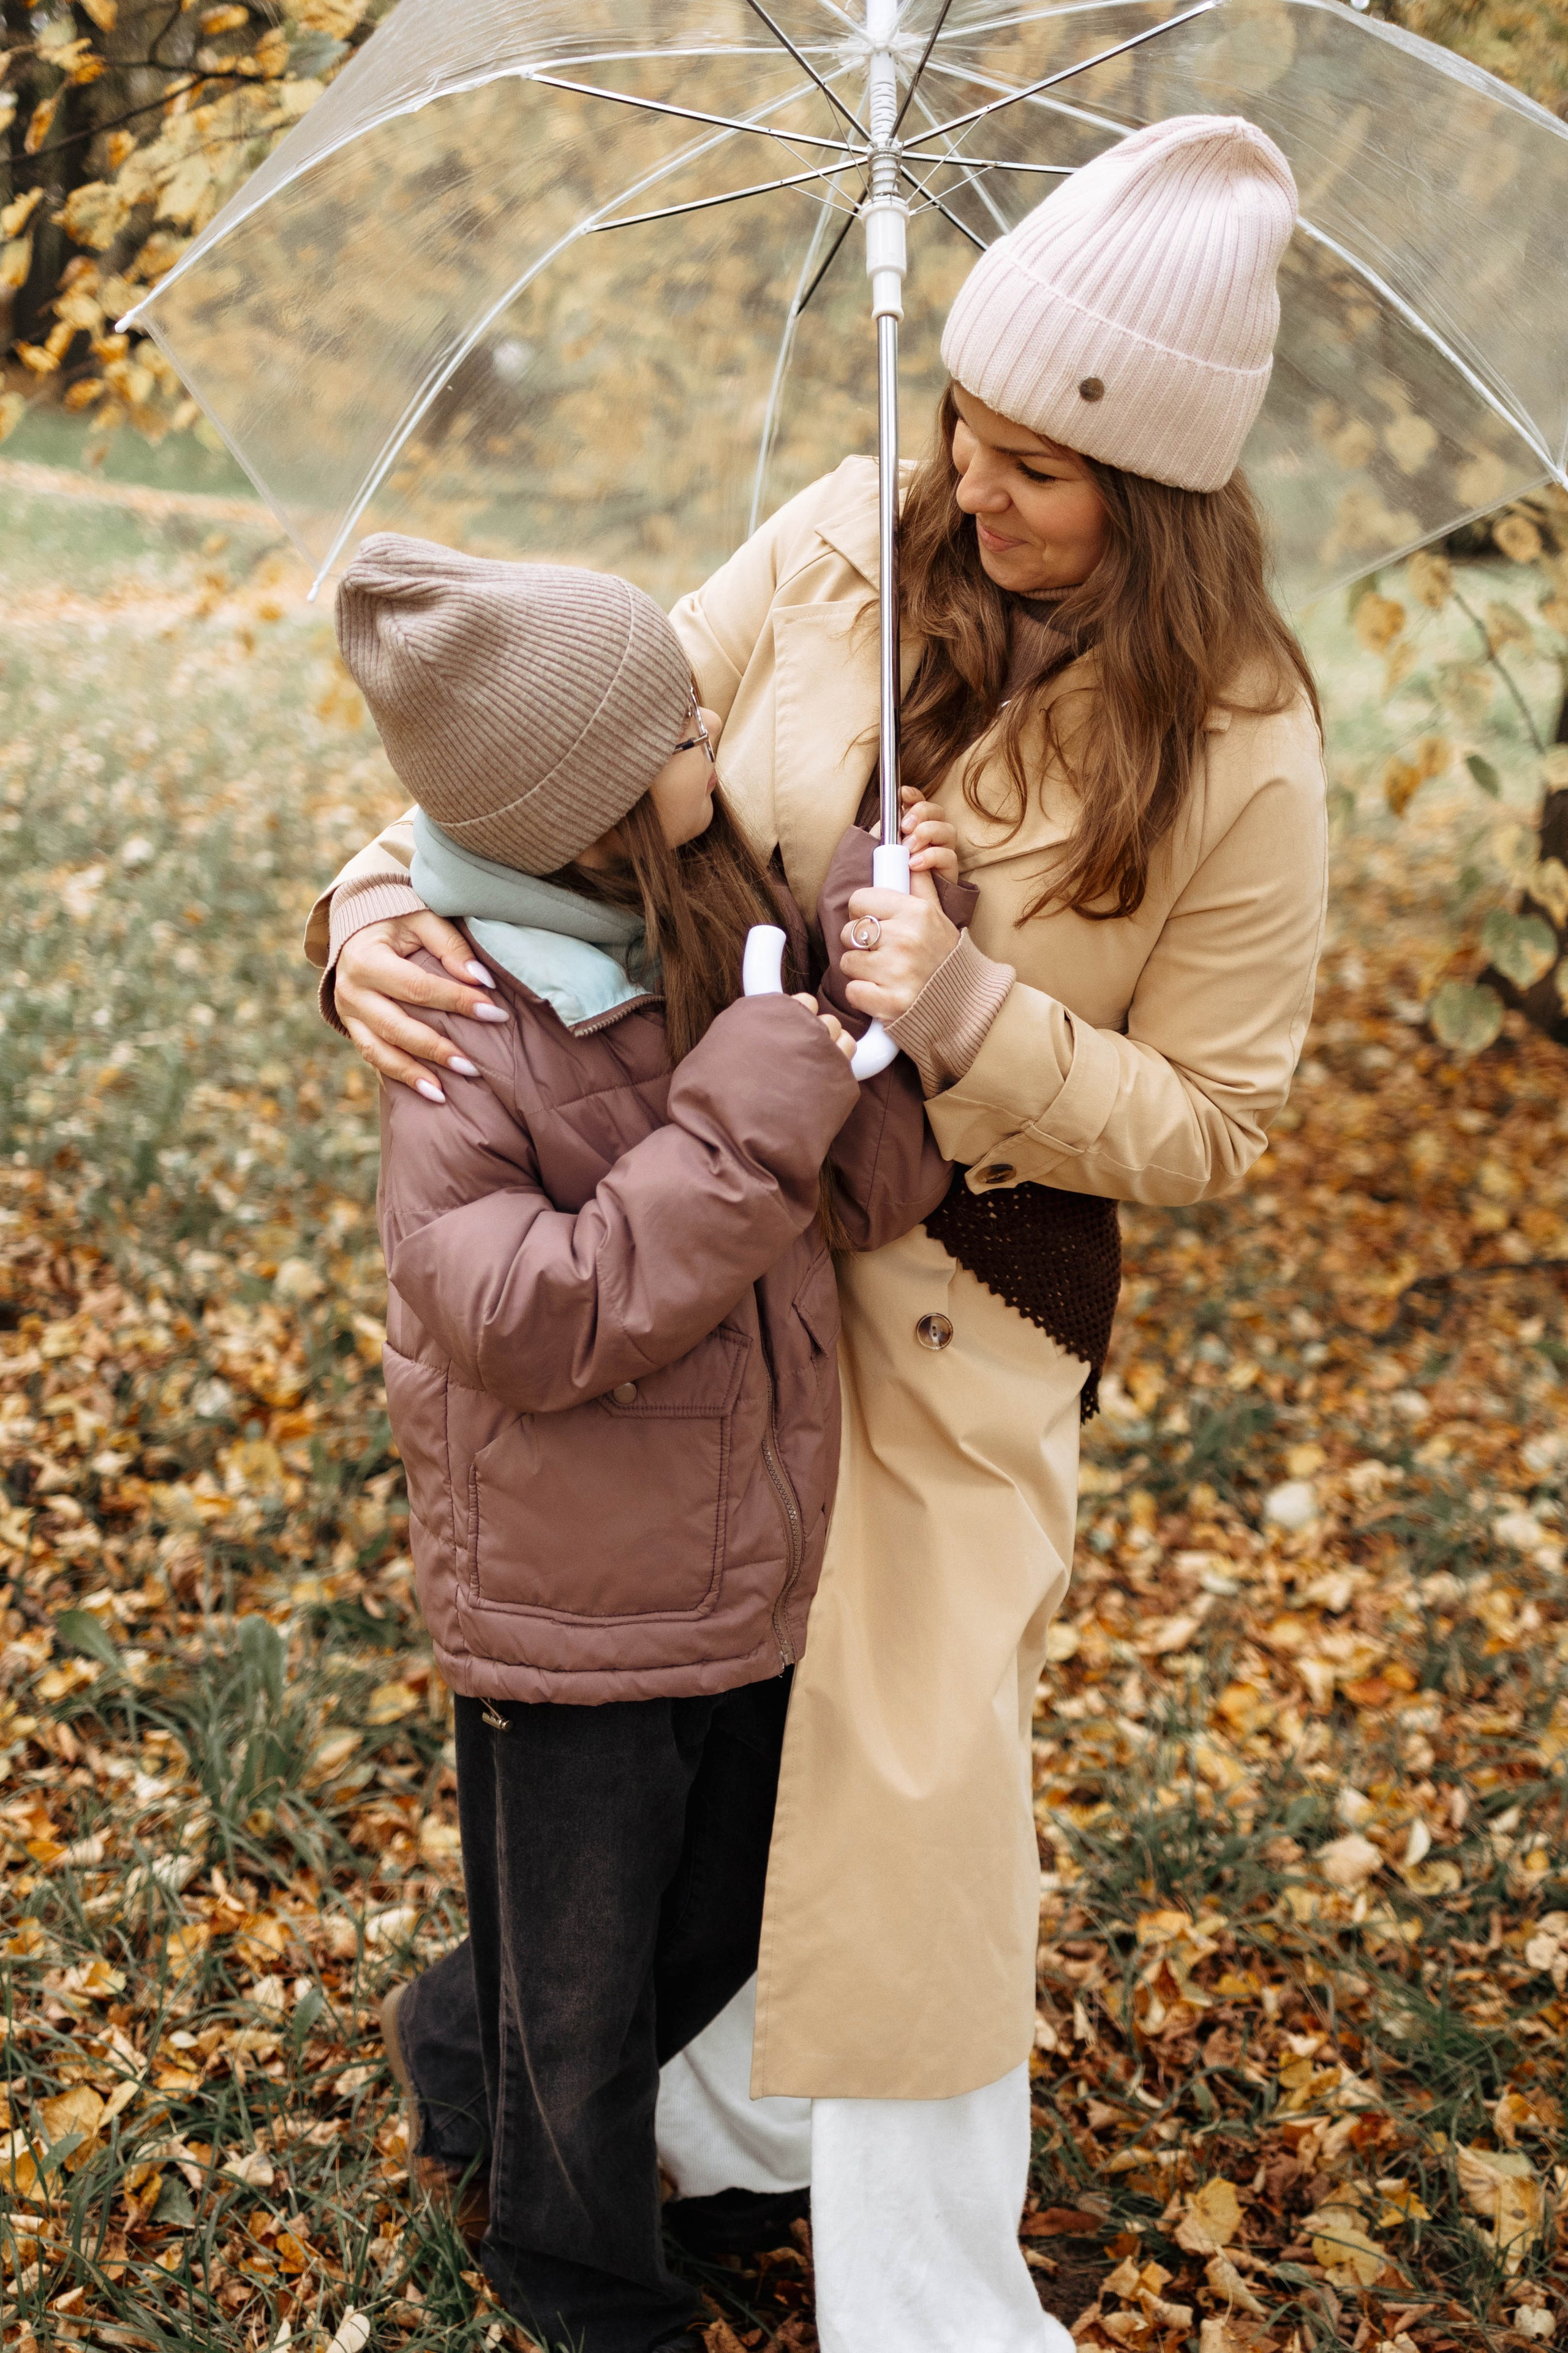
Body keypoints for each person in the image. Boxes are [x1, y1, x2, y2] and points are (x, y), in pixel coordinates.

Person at [307, 117, 1327, 2353]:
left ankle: (927, 2293)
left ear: (1160, 492)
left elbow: (1221, 1122)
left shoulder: (1242, 748)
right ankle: (605, 2079)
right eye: (964, 424)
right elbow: (560, 750)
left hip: (956, 1294)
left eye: (1039, 467)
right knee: (702, 1756)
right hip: (703, 1265)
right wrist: (367, 907)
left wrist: (969, 1014)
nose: (974, 485)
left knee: (914, 1790)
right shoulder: (841, 538)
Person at [334, 536, 957, 2353]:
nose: (712, 728)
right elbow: (536, 1316)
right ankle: (583, 2276)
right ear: (589, 810)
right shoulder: (463, 1023)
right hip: (568, 1601)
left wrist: (865, 975)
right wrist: (750, 1111)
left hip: (747, 1554)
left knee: (712, 1923)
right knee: (593, 1989)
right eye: (678, 723)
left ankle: (459, 2042)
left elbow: (873, 1191)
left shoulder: (700, 921)